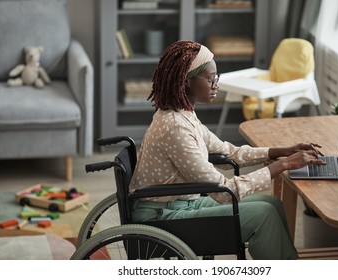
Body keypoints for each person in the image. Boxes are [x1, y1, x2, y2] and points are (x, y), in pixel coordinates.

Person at [129, 40, 325, 260]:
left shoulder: (183, 114)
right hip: (162, 217)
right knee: (264, 214)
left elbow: (228, 152)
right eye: (211, 79)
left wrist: (281, 151)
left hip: (181, 203)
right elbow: (223, 192)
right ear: (186, 81)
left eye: (217, 78)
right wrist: (283, 166)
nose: (216, 85)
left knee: (272, 203)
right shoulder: (175, 127)